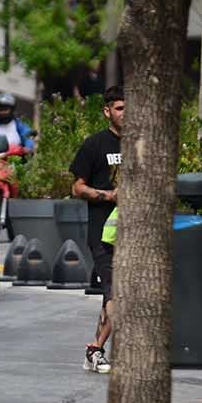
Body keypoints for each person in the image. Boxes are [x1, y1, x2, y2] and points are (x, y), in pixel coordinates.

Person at [70, 85, 124, 374]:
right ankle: (95, 350)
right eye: (120, 108)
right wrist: (108, 195)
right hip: (103, 235)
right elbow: (77, 187)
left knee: (114, 297)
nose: (125, 114)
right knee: (117, 297)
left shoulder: (142, 144)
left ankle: (95, 349)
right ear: (107, 111)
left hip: (135, 235)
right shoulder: (94, 145)